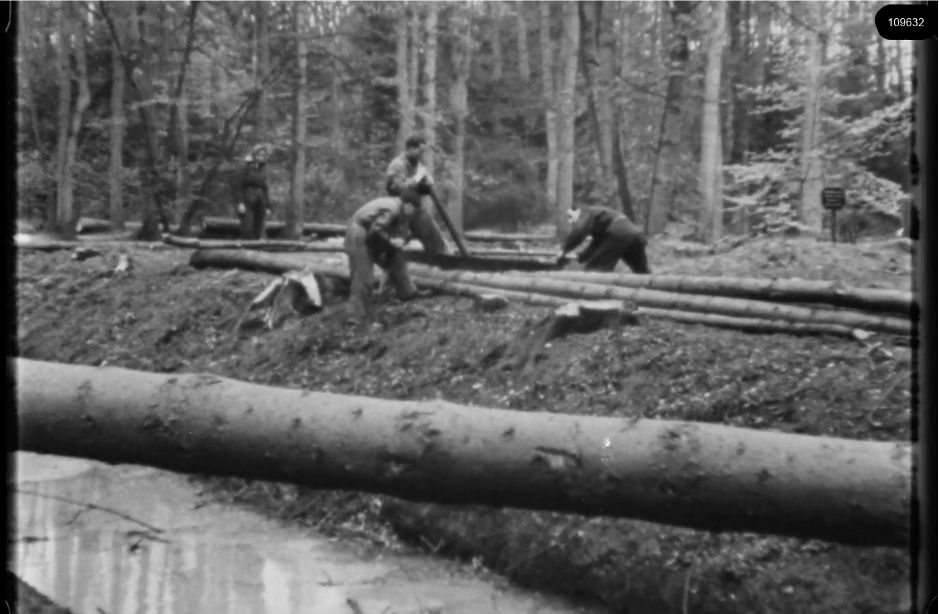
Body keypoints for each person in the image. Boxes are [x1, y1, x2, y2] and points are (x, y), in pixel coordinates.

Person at [345, 196, 429, 318]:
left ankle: (407, 291)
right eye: (414, 210)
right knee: (364, 275)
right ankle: (357, 315)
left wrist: (395, 244)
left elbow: (394, 232)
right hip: (359, 232)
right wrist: (390, 241)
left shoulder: (400, 212)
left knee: (397, 257)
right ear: (408, 205)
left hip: (370, 233)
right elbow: (375, 230)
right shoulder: (392, 209)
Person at [385, 135, 449, 254]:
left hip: (414, 209)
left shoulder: (417, 165)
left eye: (423, 151)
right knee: (396, 246)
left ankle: (439, 258)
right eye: (419, 151)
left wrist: (427, 183)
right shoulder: (397, 165)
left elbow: (421, 190)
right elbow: (397, 189)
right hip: (398, 211)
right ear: (410, 148)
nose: (421, 154)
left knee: (435, 241)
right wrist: (417, 177)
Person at [556, 205, 651, 274]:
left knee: (596, 269)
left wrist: (564, 249)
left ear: (576, 211)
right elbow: (597, 244)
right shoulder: (601, 222)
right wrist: (581, 257)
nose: (572, 222)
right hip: (636, 236)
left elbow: (580, 230)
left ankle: (594, 296)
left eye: (570, 217)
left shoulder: (586, 211)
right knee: (641, 272)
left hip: (620, 233)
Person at [233, 145, 272, 240]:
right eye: (259, 155)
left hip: (260, 199)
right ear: (254, 155)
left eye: (263, 155)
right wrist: (240, 202)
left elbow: (265, 188)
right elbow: (238, 185)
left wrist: (267, 206)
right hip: (247, 198)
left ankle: (259, 248)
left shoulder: (263, 169)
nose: (261, 157)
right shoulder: (244, 167)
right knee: (247, 227)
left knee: (260, 227)